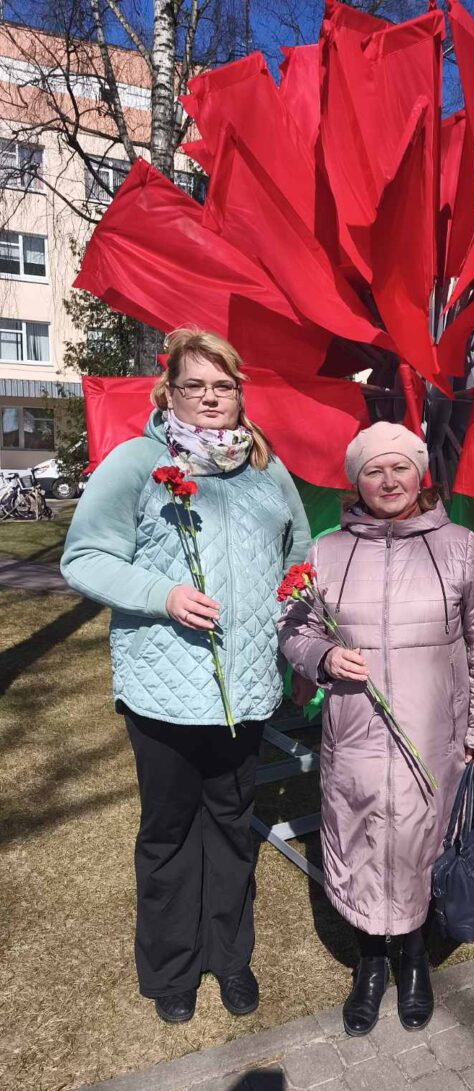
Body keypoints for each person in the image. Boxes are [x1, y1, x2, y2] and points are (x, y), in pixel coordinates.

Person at [61, 328, 310, 1024]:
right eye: (194, 384)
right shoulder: (137, 463)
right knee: (169, 832)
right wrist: (161, 594)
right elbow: (83, 557)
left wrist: (292, 637)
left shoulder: (265, 472)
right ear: (168, 390)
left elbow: (302, 554)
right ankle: (170, 968)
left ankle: (229, 959)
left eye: (222, 385)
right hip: (163, 693)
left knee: (232, 828)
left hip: (247, 692)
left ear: (239, 393)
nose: (209, 397)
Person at [279, 422, 474, 1036]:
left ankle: (413, 964)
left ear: (419, 474)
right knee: (357, 841)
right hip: (353, 734)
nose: (388, 481)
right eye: (374, 470)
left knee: (418, 846)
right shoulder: (327, 549)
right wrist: (323, 658)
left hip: (432, 737)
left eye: (400, 468)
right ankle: (370, 964)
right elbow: (295, 630)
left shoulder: (458, 545)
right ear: (357, 480)